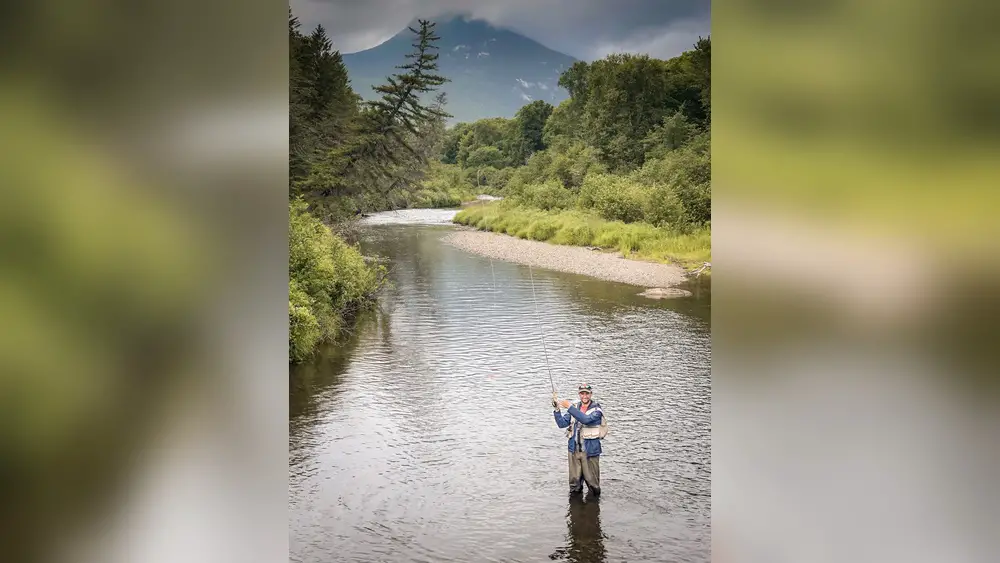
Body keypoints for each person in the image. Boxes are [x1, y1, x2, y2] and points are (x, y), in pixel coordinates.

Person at [553, 383, 603, 496]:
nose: (584, 396)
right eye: (582, 393)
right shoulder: (574, 408)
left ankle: (593, 504)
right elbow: (561, 424)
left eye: (587, 393)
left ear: (591, 394)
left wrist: (569, 407)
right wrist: (557, 410)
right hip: (574, 451)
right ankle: (575, 503)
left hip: (590, 452)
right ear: (579, 394)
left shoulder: (597, 410)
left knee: (593, 485)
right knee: (574, 486)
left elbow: (586, 419)